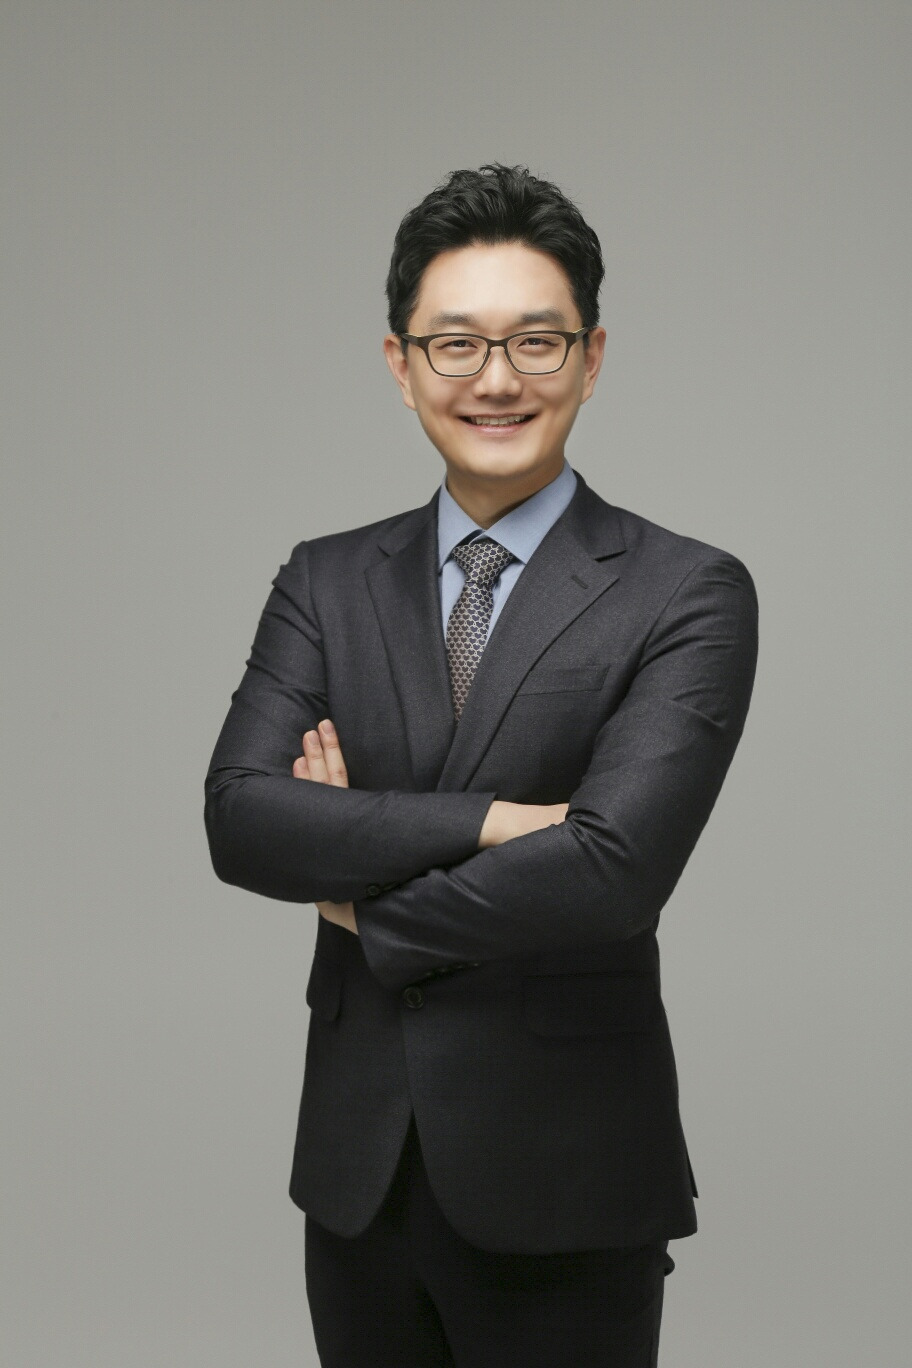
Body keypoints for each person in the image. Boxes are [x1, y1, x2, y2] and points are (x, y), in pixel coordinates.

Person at [204, 162, 759, 1367]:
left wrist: (358, 890)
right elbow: (243, 819)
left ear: (592, 358)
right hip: (358, 1175)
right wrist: (505, 821)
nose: (496, 380)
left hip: (569, 1175)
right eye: (454, 344)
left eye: (535, 342)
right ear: (400, 365)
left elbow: (612, 871)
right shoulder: (325, 580)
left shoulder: (688, 592)